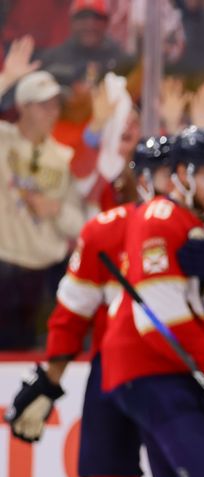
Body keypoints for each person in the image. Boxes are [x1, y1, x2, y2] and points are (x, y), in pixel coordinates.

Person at [3, 136, 204, 477]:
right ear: (142, 177)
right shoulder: (104, 231)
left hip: (179, 372)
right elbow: (72, 312)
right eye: (167, 173)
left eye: (181, 173)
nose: (175, 183)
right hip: (114, 374)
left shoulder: (203, 228)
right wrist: (50, 379)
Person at [101, 127, 204, 477]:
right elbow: (161, 320)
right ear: (183, 173)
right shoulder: (157, 217)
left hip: (174, 371)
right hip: (151, 371)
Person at [0, 57, 85, 349]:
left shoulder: (65, 157)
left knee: (40, 355)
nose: (53, 112)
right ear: (23, 107)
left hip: (45, 275)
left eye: (56, 104)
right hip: (4, 265)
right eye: (43, 105)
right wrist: (6, 80)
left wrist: (57, 209)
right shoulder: (3, 139)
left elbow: (83, 222)